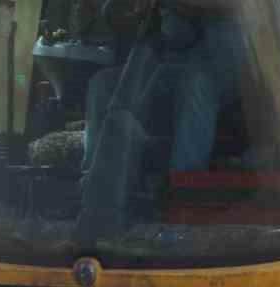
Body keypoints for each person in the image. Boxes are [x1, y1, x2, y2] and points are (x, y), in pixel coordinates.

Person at [80, 0, 247, 176]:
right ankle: (94, 178)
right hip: (183, 62)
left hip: (240, 64)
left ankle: (185, 184)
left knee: (197, 83)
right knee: (103, 82)